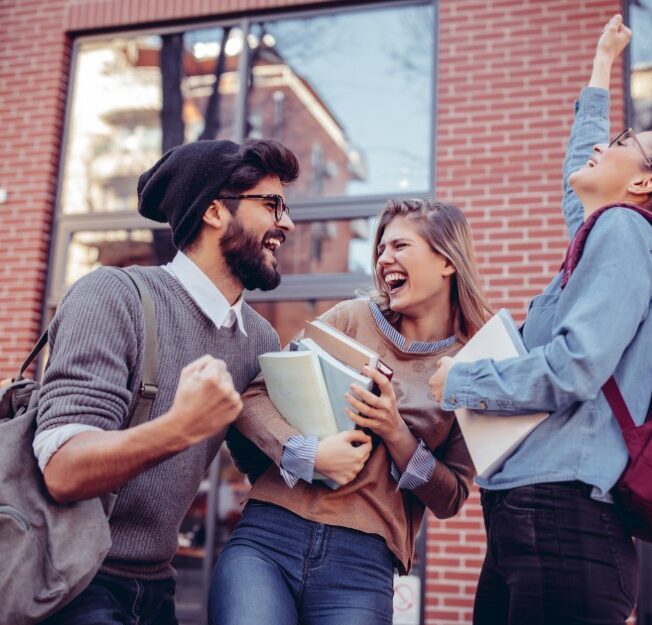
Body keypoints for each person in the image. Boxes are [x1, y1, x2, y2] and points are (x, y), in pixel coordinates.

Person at [429, 14, 652, 625]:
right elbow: (577, 173)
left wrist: (463, 383)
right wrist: (601, 66)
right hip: (533, 517)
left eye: (621, 143)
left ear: (641, 182)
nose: (603, 145)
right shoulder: (610, 233)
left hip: (563, 521)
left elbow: (575, 366)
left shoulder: (622, 231)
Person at [35, 138, 299, 625]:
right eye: (271, 204)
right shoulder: (115, 296)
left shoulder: (256, 336)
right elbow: (63, 469)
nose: (287, 222)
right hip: (70, 583)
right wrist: (180, 426)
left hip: (158, 586)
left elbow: (267, 468)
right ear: (215, 210)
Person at [209, 199, 490, 625]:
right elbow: (252, 400)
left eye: (399, 246)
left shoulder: (471, 366)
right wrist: (307, 453)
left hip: (363, 561)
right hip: (270, 533)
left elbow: (451, 497)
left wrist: (395, 432)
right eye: (380, 249)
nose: (383, 259)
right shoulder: (351, 317)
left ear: (447, 261)